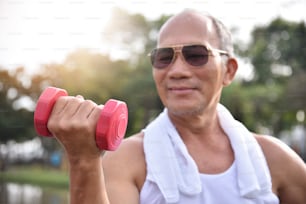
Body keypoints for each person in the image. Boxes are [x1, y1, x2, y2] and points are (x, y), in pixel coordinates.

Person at [47, 9, 306, 204]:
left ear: (229, 70)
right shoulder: (127, 161)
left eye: (196, 55)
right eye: (164, 57)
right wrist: (82, 161)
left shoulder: (273, 159)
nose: (177, 71)